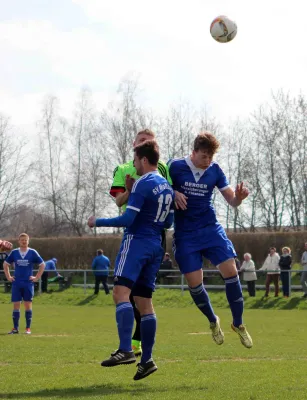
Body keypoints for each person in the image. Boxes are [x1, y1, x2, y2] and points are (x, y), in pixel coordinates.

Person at [88, 140, 174, 380]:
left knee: (120, 293)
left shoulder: (143, 184)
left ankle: (126, 349)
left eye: (135, 160)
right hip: (156, 246)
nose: (133, 164)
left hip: (136, 242)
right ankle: (146, 360)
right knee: (144, 302)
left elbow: (127, 220)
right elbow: (169, 223)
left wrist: (98, 222)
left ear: (144, 160)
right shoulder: (167, 187)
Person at [168, 132, 253, 348]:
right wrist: (172, 192)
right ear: (194, 152)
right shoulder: (175, 166)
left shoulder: (215, 170)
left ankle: (238, 324)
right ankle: (213, 320)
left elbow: (231, 199)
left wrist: (239, 199)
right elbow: (158, 187)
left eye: (211, 157)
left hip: (209, 228)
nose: (208, 161)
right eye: (204, 156)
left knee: (232, 271)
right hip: (185, 234)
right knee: (195, 283)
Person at [110, 128, 172, 357]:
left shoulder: (162, 168)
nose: (146, 142)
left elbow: (170, 194)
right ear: (134, 144)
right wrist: (130, 191)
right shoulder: (125, 168)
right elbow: (119, 201)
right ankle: (142, 353)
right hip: (136, 229)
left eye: (150, 141)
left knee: (132, 294)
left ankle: (129, 348)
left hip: (150, 234)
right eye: (142, 140)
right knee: (135, 296)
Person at [3, 233, 45, 334]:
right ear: (19, 241)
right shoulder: (14, 252)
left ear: (28, 241)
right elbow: (5, 264)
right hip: (17, 283)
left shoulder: (32, 252)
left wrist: (37, 277)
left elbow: (42, 264)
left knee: (27, 305)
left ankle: (28, 328)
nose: (24, 241)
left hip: (28, 283)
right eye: (22, 240)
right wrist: (8, 277)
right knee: (16, 305)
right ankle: (15, 328)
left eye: (25, 240)